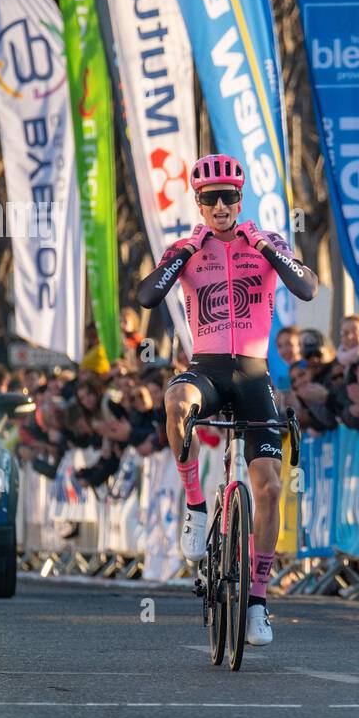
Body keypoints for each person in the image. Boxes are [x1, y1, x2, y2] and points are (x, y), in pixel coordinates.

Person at [136, 153, 318, 647]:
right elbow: (148, 297)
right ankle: (196, 504)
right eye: (210, 199)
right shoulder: (186, 248)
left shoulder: (266, 243)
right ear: (197, 203)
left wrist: (263, 244)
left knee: (269, 489)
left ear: (240, 200)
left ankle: (257, 601)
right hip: (208, 369)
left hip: (255, 375)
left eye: (229, 198)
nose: (220, 206)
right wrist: (184, 252)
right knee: (177, 402)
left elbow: (306, 287)